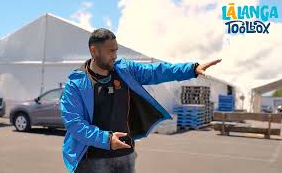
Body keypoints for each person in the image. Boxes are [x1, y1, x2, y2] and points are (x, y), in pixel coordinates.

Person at [60, 28, 221, 173]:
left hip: (126, 156)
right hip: (93, 160)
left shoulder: (124, 70)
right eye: (110, 51)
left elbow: (157, 71)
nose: (115, 56)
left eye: (116, 50)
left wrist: (191, 69)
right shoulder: (76, 84)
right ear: (94, 51)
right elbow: (74, 124)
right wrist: (107, 140)